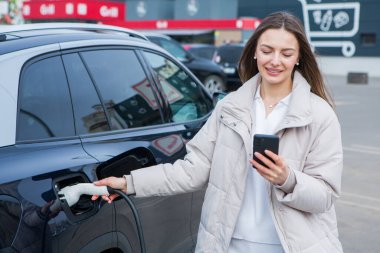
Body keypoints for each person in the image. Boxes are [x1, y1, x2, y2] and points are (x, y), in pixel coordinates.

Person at [92, 11, 343, 253]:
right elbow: (192, 170)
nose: (275, 61)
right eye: (267, 51)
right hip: (228, 243)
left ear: (299, 57)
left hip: (291, 246)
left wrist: (286, 178)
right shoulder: (229, 108)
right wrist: (128, 183)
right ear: (254, 51)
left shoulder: (320, 115)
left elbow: (325, 195)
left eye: (286, 53)